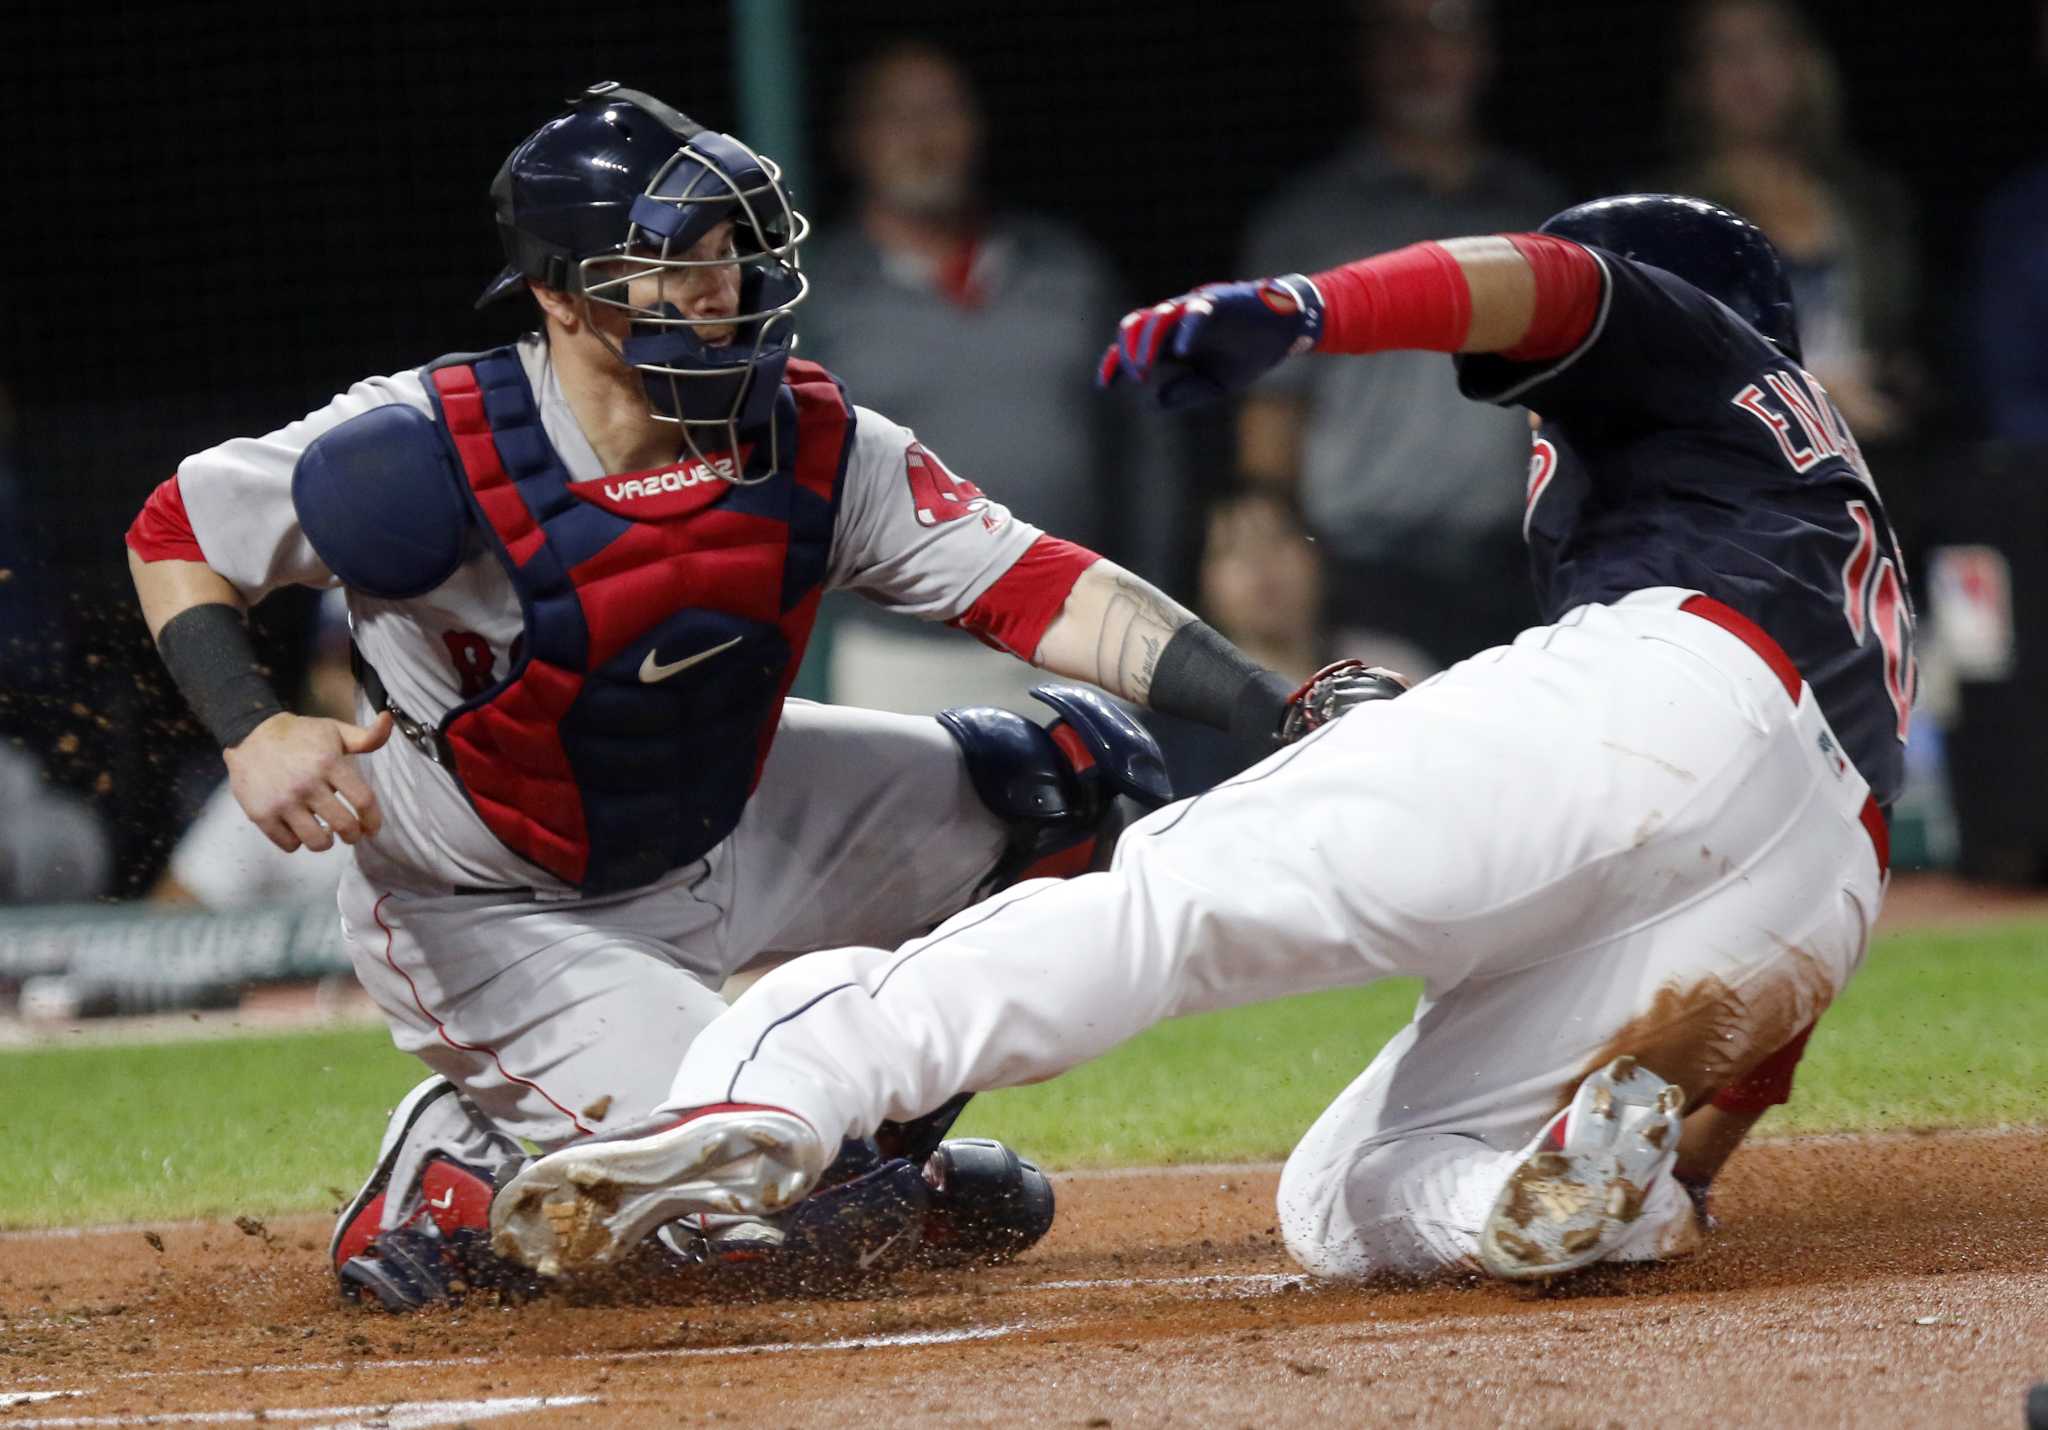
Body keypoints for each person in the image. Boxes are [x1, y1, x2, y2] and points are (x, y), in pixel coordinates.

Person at [489, 195, 1913, 1288]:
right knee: (1352, 1194)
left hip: (1667, 689)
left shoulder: (1696, 350)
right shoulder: (1835, 526)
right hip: (1815, 890)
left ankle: (776, 1094)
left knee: (1173, 901)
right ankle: (1581, 1205)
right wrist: (1697, 1169)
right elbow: (1759, 1042)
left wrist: (1311, 306)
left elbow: (1553, 284)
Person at [124, 83, 1358, 1310]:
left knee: (1077, 784)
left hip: (726, 823)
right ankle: (455, 1171)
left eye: (729, 251)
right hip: (497, 903)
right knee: (755, 1241)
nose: (722, 289)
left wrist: (1276, 703)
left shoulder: (808, 433)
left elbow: (1037, 587)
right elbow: (178, 525)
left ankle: (866, 1152)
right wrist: (250, 720)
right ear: (559, 294)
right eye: (673, 264)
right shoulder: (424, 447)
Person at [800, 40, 1182, 716]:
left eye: (942, 111)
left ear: (978, 127)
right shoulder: (818, 296)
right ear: (853, 141)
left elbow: (1145, 449)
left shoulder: (1069, 271)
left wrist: (1153, 605)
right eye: (897, 116)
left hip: (1079, 631)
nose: (923, 137)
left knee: (1113, 823)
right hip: (902, 654)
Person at [1236, 0, 1564, 674]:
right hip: (1359, 577)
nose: (1421, 55)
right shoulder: (1309, 220)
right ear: (1363, 53)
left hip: (1519, 569)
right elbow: (1270, 416)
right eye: (1395, 32)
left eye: (1445, 30)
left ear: (1485, 51)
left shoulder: (1538, 210)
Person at [1661, 0, 1920, 441]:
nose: (1748, 68)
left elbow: (1909, 348)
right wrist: (1809, 397)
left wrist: (1900, 384)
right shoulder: (1664, 215)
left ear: (1805, 62)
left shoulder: (1870, 201)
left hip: (1870, 465)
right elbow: (1658, 373)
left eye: (1768, 42)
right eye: (1723, 49)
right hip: (1733, 476)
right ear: (1692, 80)